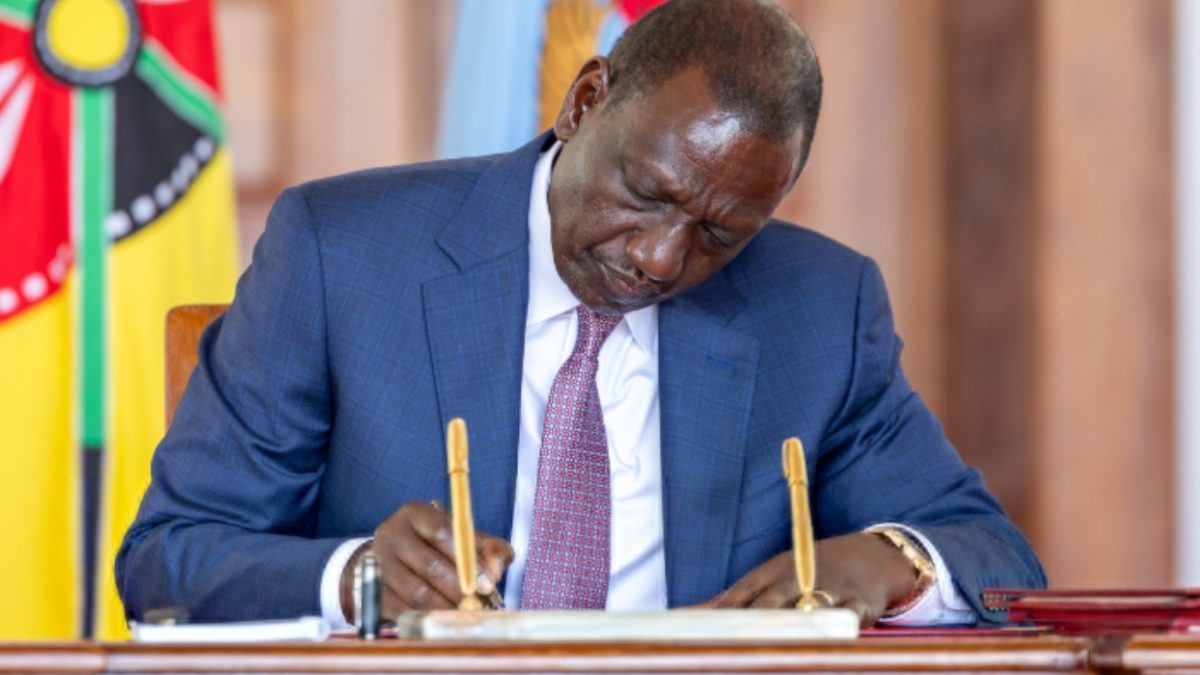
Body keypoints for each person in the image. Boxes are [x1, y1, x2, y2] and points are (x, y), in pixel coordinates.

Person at [116, 0, 1044, 628]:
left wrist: (891, 564)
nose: (659, 258)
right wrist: (357, 576)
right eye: (646, 193)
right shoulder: (340, 253)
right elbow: (169, 556)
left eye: (720, 235)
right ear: (586, 100)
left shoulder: (820, 307)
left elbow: (999, 560)